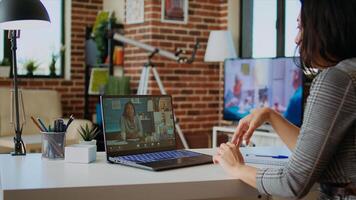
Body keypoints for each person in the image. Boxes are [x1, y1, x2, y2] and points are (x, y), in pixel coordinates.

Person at [213, 0, 356, 199]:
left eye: (300, 27)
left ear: (326, 26)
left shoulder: (336, 79)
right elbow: (313, 153)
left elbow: (292, 183)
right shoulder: (351, 71)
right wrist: (270, 115)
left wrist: (236, 167)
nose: (297, 39)